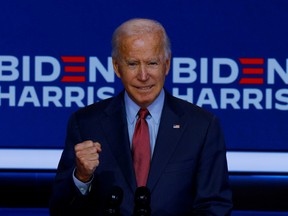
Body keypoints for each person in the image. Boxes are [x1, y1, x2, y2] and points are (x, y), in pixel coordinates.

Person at [49, 18, 233, 215]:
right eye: (133, 64)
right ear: (117, 67)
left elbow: (215, 208)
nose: (143, 75)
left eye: (152, 63)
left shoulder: (202, 127)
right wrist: (82, 177)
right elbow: (60, 210)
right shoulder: (85, 124)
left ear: (167, 64)